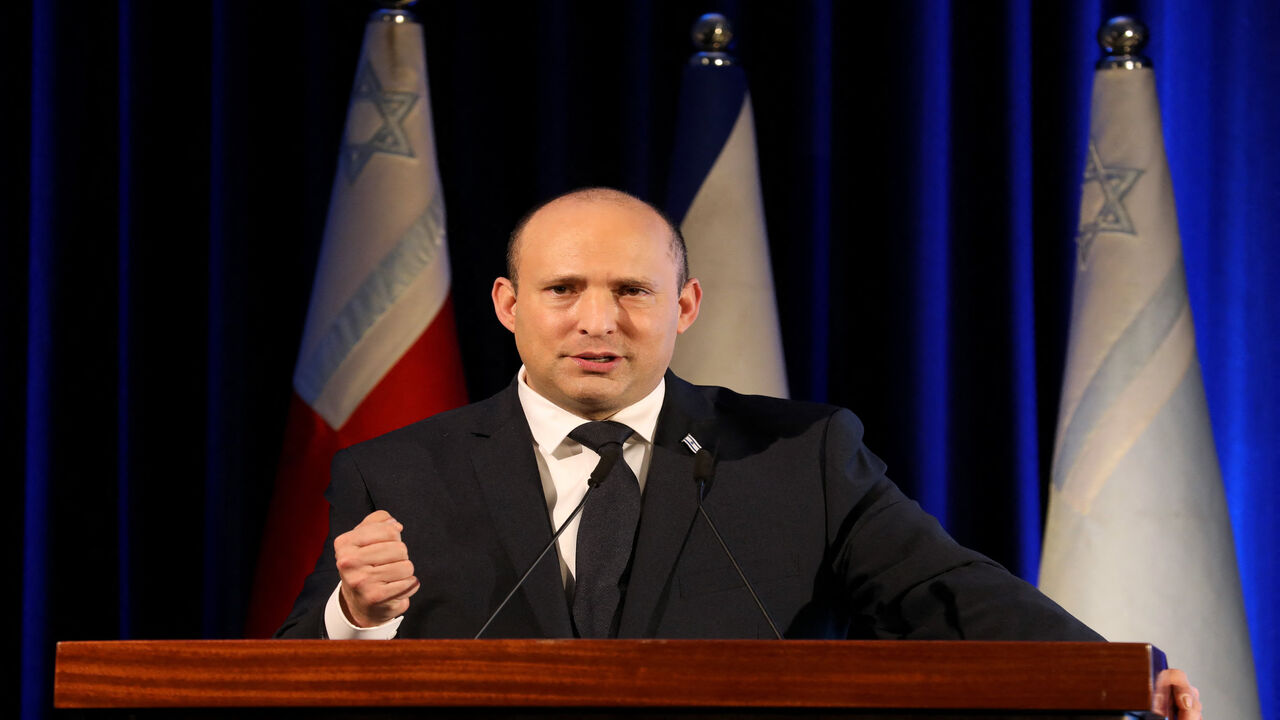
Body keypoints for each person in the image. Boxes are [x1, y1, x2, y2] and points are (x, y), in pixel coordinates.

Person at [278, 187, 1201, 718]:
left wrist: (1124, 675)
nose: (598, 321)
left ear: (684, 308)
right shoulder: (397, 471)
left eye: (632, 290)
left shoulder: (797, 456)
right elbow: (286, 683)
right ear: (507, 305)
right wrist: (354, 618)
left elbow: (948, 594)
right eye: (562, 288)